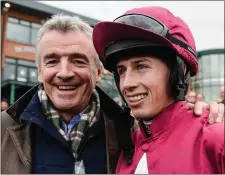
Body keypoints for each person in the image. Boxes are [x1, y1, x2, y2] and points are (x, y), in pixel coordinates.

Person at [1, 14, 223, 174]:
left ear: (98, 72)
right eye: (52, 61)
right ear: (39, 71)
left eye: (78, 61)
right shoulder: (3, 130)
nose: (65, 73)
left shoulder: (126, 129)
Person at [92, 6, 224, 173]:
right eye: (122, 71)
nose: (127, 84)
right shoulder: (127, 144)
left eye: (141, 66)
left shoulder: (216, 137)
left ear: (178, 71)